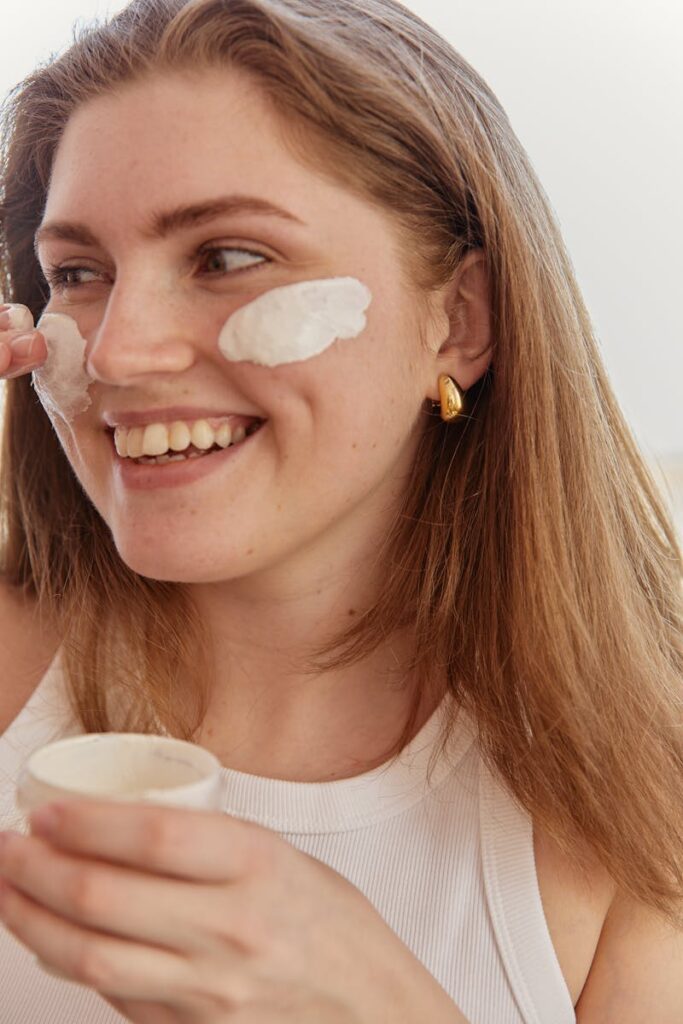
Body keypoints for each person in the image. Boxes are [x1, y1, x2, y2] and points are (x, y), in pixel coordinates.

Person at [0, 0, 681, 1021]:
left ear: (459, 323)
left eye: (227, 257)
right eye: (79, 274)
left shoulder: (643, 800)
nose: (115, 354)